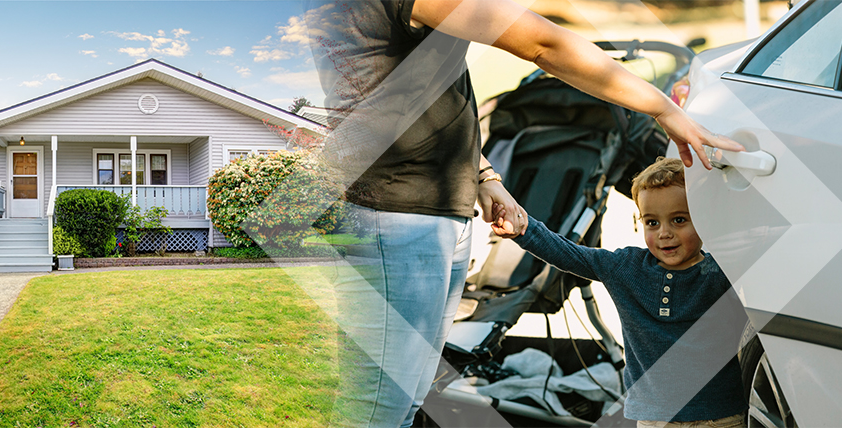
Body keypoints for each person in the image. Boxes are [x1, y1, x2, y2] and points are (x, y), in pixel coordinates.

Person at [301, 1, 744, 426]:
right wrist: (663, 107)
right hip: (397, 216)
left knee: (406, 400)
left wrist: (483, 175)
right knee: (378, 406)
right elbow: (542, 44)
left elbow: (418, 94)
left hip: (431, 210)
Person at [492, 158, 747, 426]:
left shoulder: (722, 274)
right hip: (654, 419)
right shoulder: (626, 267)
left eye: (679, 220)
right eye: (652, 223)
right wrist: (523, 228)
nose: (664, 233)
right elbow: (570, 255)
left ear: (703, 219)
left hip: (720, 417)